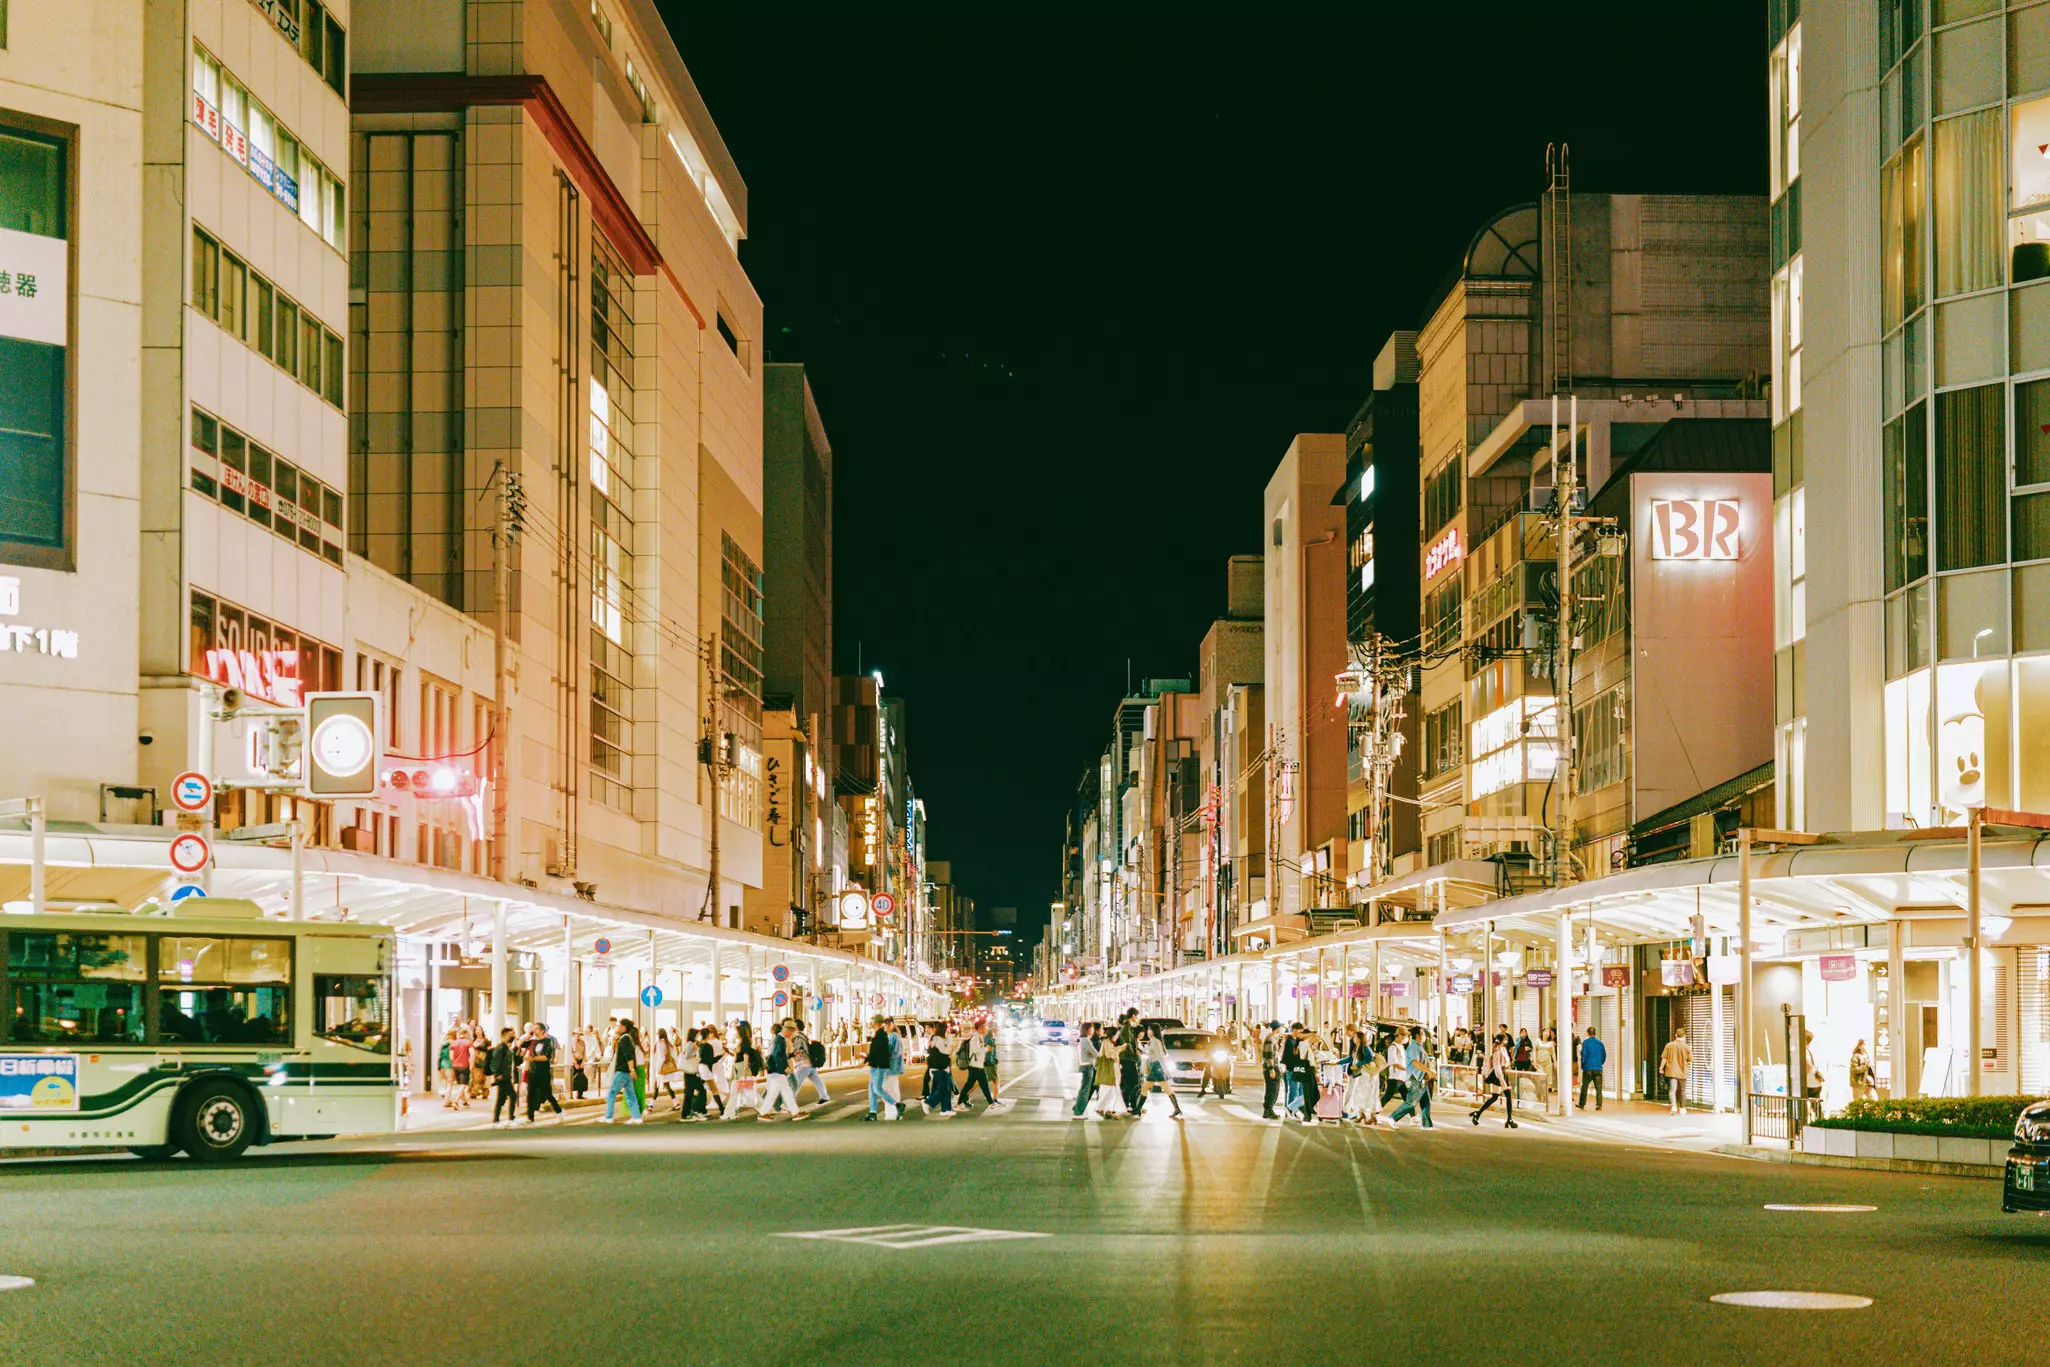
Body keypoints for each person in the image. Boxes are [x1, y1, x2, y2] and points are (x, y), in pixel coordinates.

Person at [1471, 1030, 1519, 1129]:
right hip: (1499, 1074)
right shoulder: (1497, 1050)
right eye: (1506, 1039)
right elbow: (1497, 1066)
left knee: (1495, 1097)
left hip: (1502, 1073)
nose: (1507, 1041)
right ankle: (1509, 1119)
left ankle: (1478, 1114)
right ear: (1503, 1040)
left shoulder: (1502, 1049)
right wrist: (1501, 1079)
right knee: (1507, 1096)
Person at [759, 1021, 807, 1120]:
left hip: (775, 1071)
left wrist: (792, 1054)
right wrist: (784, 1067)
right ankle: (795, 1113)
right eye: (792, 1031)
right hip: (777, 1071)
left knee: (778, 1093)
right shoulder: (779, 1040)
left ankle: (764, 1113)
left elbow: (780, 1055)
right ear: (788, 1030)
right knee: (783, 1092)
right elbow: (777, 1056)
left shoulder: (779, 1039)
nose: (792, 1034)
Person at [1388, 1031, 1435, 1128]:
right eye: (1423, 1034)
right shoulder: (1413, 1047)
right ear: (1417, 1035)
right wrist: (1428, 1071)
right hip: (1414, 1078)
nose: (1425, 1036)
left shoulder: (1418, 1046)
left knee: (1426, 1102)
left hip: (1421, 1078)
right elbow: (1415, 1062)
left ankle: (1427, 1125)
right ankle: (1393, 1117)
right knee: (1411, 1102)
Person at [604, 1020, 646, 1124]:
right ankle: (637, 1117)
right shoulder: (627, 1038)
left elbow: (629, 1056)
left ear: (624, 1027)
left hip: (622, 1071)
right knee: (631, 1095)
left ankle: (608, 1117)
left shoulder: (625, 1039)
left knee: (611, 1093)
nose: (616, 1027)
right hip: (627, 1072)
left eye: (618, 1025)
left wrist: (632, 1070)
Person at [1139, 1025, 1183, 1118]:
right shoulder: (1153, 1041)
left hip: (1156, 1067)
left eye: (1149, 1030)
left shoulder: (1155, 1041)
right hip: (1156, 1067)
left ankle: (1137, 1109)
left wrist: (1165, 1069)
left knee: (1145, 1087)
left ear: (1153, 1031)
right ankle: (1177, 1108)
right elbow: (1154, 1054)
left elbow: (1159, 1057)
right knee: (1166, 1089)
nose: (1147, 1032)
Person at [522, 1022, 562, 1123]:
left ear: (542, 1031)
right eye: (533, 1029)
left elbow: (545, 1057)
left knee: (548, 1094)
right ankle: (530, 1117)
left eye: (536, 1029)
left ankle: (559, 1112)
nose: (534, 1030)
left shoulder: (548, 1042)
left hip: (543, 1072)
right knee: (530, 1094)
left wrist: (531, 1058)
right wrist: (527, 1036)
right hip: (533, 1071)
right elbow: (520, 1045)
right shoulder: (533, 1042)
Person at [865, 1015, 900, 1121]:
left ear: (876, 1023)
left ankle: (897, 1104)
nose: (870, 1024)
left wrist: (867, 1058)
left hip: (879, 1066)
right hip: (876, 1065)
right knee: (871, 1089)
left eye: (871, 1022)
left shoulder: (881, 1035)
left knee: (877, 1088)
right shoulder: (879, 1034)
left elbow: (877, 1052)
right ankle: (873, 1112)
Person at [791, 1022, 831, 1105]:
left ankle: (789, 1101)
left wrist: (795, 1060)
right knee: (817, 1080)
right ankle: (824, 1097)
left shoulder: (797, 1037)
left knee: (795, 1083)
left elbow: (798, 1050)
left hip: (804, 1063)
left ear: (796, 1027)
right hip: (810, 1062)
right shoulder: (804, 1035)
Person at [1290, 1023, 1321, 1125]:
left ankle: (1305, 1109)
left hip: (1310, 1070)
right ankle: (1307, 1115)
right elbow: (1305, 1057)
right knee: (1308, 1094)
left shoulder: (1306, 1044)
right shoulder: (1303, 1044)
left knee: (1315, 1094)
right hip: (1306, 1071)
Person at [958, 1025, 996, 1109]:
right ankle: (991, 1104)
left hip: (977, 1066)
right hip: (976, 1066)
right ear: (980, 1027)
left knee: (975, 1086)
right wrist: (985, 1049)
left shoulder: (978, 1037)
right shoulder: (975, 1037)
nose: (986, 1028)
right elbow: (975, 1050)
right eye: (985, 1026)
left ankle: (959, 1103)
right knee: (982, 1086)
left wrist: (984, 1049)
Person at [925, 1023, 958, 1118]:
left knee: (947, 1089)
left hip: (943, 1066)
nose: (948, 1031)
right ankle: (928, 1102)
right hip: (938, 1067)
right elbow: (945, 1051)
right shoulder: (937, 1039)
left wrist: (948, 1040)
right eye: (947, 1029)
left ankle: (946, 1109)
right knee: (943, 1088)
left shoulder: (940, 1038)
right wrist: (950, 1048)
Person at [488, 1027, 519, 1126]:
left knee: (501, 1098)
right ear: (504, 1036)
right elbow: (495, 1062)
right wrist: (498, 1075)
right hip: (503, 1077)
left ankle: (496, 1119)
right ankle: (510, 1117)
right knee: (513, 1095)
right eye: (510, 1035)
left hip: (505, 1076)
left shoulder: (506, 1047)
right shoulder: (501, 1048)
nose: (512, 1036)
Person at [1658, 1027, 1693, 1115]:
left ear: (1675, 1035)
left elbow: (1664, 1058)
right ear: (1684, 1036)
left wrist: (1661, 1068)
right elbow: (1690, 1060)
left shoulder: (1669, 1045)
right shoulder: (1687, 1047)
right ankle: (1682, 1108)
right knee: (1683, 1090)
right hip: (1682, 1071)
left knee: (1672, 1089)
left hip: (1672, 1071)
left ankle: (1674, 1107)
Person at [1071, 1023, 1101, 1118]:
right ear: (1087, 1030)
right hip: (1087, 1067)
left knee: (1084, 1089)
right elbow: (1095, 1054)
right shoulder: (1086, 1041)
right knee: (1085, 1091)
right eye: (1091, 1028)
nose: (1093, 1030)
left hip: (1083, 1066)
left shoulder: (1082, 1040)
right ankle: (1078, 1112)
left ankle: (1077, 1108)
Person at [1381, 1027, 1411, 1122]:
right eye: (1405, 1036)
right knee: (1387, 1097)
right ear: (1399, 1035)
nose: (1406, 1038)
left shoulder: (1401, 1047)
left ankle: (1413, 1117)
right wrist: (1406, 1069)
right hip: (1394, 1077)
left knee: (1407, 1098)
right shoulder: (1392, 1047)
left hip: (1401, 1077)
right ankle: (1373, 1112)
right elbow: (1393, 1062)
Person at [1117, 1010, 1144, 1116]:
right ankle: (1123, 1102)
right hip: (1128, 1059)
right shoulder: (1126, 1027)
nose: (1137, 1018)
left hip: (1129, 1058)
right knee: (1132, 1081)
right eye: (1136, 1016)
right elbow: (1127, 1044)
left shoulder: (1128, 1027)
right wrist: (1135, 1055)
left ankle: (1128, 1104)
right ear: (1133, 1016)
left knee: (1130, 1082)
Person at [1578, 1027, 1607, 1111]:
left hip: (1588, 1068)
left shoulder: (1586, 1043)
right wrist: (1599, 1064)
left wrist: (1583, 1065)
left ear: (1587, 1033)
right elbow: (1604, 1055)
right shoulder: (1600, 1043)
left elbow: (1584, 1055)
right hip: (1598, 1068)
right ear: (1595, 1033)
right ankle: (1599, 1105)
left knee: (1585, 1087)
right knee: (1598, 1088)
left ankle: (1582, 1104)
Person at [1259, 1023, 1282, 1121]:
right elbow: (1269, 1055)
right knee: (1272, 1090)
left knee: (1272, 1089)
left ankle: (1267, 1111)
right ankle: (1268, 1110)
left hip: (1272, 1067)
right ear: (1277, 1028)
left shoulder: (1272, 1038)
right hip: (1271, 1068)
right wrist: (1271, 1069)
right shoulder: (1270, 1039)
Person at [447, 1030, 473, 1109]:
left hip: (455, 1066)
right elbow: (472, 1053)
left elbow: (451, 1057)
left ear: (458, 1034)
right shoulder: (468, 1043)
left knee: (460, 1084)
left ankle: (465, 1101)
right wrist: (471, 1065)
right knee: (463, 1084)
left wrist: (455, 1062)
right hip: (464, 1066)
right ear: (465, 1034)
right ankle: (456, 1101)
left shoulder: (453, 1043)